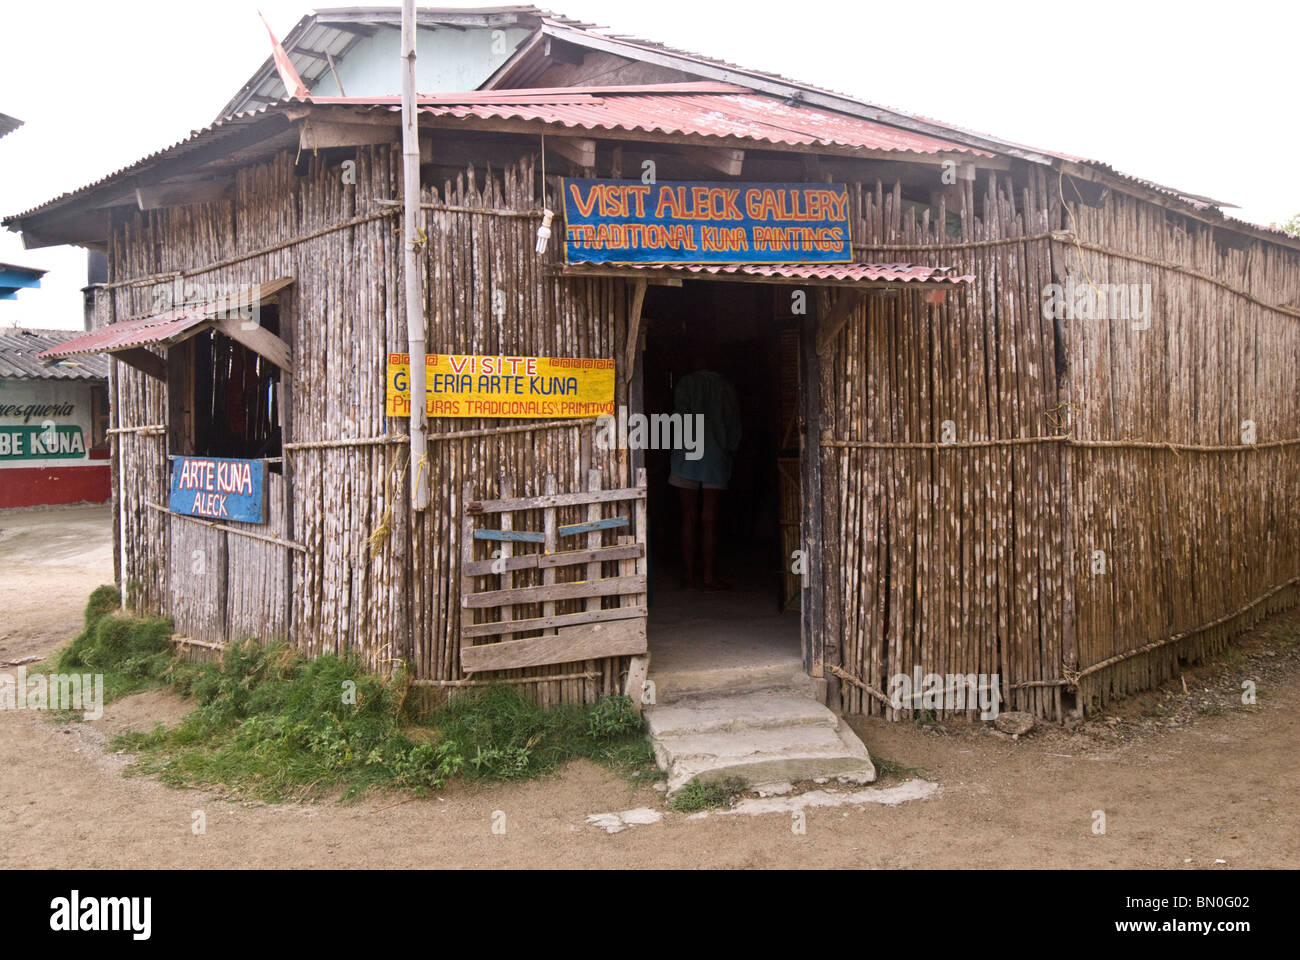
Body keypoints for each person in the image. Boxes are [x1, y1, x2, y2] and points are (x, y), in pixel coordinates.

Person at [669, 352, 741, 590]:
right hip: (715, 458)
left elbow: (678, 420)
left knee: (688, 517)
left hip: (687, 457)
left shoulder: (685, 384)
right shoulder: (726, 388)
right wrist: (729, 450)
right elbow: (734, 428)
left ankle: (689, 576)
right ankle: (709, 577)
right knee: (709, 519)